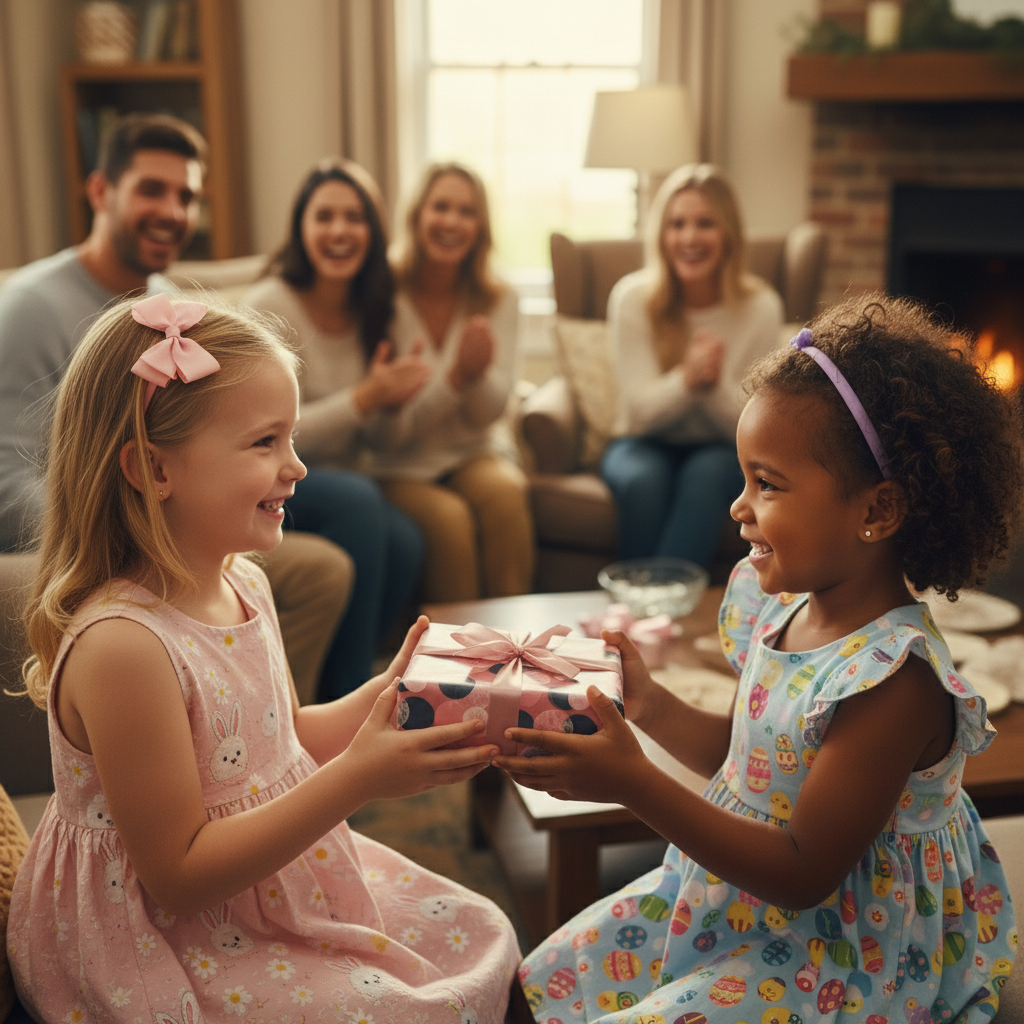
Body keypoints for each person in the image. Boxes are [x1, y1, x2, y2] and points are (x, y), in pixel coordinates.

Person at [497, 295, 1022, 1022]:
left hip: (839, 952)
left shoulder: (893, 681)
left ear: (877, 511)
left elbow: (804, 868)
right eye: (744, 479)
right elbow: (751, 759)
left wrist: (634, 782)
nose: (739, 508)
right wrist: (649, 702)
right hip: (730, 898)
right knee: (534, 982)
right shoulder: (784, 604)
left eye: (766, 484)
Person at [7, 294, 522, 1023]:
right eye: (265, 443)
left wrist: (391, 692)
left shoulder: (244, 581)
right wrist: (357, 780)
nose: (298, 467)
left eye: (293, 438)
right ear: (153, 469)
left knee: (479, 932)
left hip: (262, 889)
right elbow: (179, 876)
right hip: (157, 941)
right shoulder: (123, 647)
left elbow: (280, 743)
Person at [0, 112, 352, 703]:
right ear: (99, 191)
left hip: (176, 503)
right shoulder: (32, 307)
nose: (172, 210)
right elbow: (7, 475)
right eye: (152, 189)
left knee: (355, 512)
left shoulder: (175, 309)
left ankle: (276, 734)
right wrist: (124, 531)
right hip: (103, 532)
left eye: (186, 195)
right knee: (319, 570)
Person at [244, 159, 426, 698]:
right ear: (302, 227)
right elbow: (260, 431)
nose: (340, 230)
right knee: (360, 500)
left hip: (341, 484)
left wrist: (392, 407)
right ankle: (354, 697)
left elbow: (384, 443)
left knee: (407, 541)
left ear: (373, 232)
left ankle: (333, 685)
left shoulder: (377, 310)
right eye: (325, 216)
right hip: (270, 471)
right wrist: (365, 398)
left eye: (355, 217)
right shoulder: (269, 307)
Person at [601, 163, 783, 570]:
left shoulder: (760, 306)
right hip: (640, 442)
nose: (689, 238)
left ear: (728, 234)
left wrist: (711, 386)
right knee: (644, 479)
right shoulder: (632, 298)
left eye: (705, 224)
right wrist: (687, 380)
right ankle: (633, 613)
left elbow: (755, 428)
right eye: (676, 224)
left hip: (722, 447)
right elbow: (637, 415)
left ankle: (663, 611)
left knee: (706, 475)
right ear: (661, 234)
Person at [379, 161, 535, 602]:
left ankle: (517, 644)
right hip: (398, 460)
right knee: (449, 522)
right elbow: (392, 423)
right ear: (417, 216)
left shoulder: (499, 296)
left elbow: (494, 410)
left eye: (466, 211)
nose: (451, 221)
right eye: (440, 207)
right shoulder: (383, 289)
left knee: (506, 493)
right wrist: (458, 377)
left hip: (473, 450)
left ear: (480, 226)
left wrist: (476, 377)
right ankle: (459, 658)